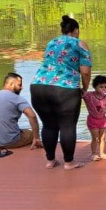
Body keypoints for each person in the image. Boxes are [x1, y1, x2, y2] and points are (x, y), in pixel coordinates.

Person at [30, 14, 92, 170]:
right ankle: (69, 162)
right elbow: (85, 71)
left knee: (49, 125)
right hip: (65, 88)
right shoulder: (80, 44)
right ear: (76, 30)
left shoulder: (52, 42)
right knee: (67, 126)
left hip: (39, 86)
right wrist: (84, 88)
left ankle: (50, 161)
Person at [0, 72, 40, 156]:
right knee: (32, 133)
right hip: (10, 142)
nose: (22, 87)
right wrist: (36, 137)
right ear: (11, 84)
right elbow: (32, 115)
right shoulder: (17, 99)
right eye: (19, 85)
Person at [85, 74, 106, 161]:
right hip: (92, 120)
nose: (104, 89)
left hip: (103, 120)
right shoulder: (89, 95)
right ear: (95, 87)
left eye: (105, 87)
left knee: (102, 138)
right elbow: (80, 93)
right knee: (95, 138)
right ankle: (94, 154)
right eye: (101, 87)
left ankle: (102, 153)